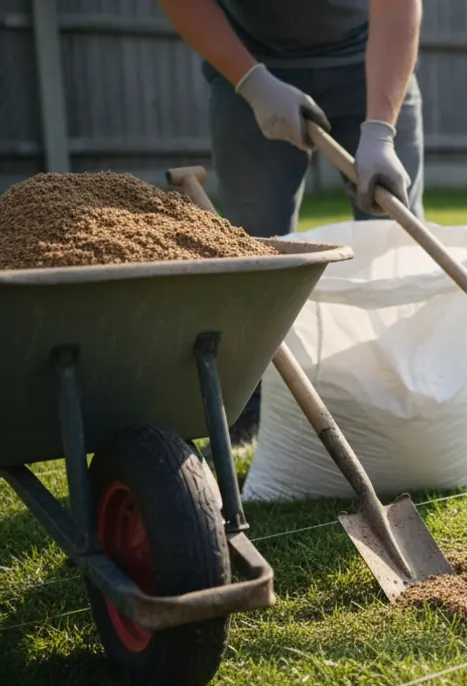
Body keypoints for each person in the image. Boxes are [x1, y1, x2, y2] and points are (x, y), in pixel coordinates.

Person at [158, 0, 425, 443]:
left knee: (395, 238)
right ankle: (250, 401)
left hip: (368, 59)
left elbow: (398, 7)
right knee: (254, 246)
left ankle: (400, 394)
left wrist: (380, 130)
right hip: (250, 63)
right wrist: (251, 81)